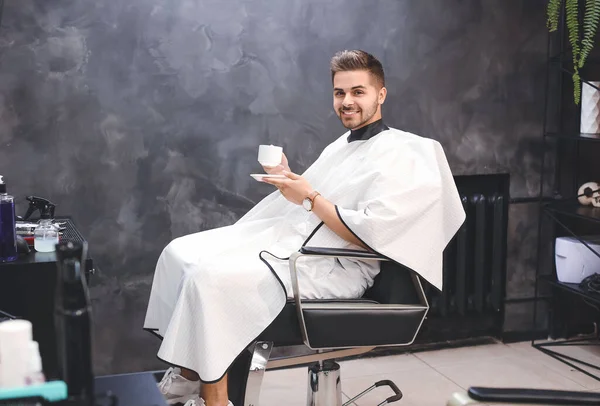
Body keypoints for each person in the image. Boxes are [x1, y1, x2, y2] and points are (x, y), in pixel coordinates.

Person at [143, 50, 466, 406]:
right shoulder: (341, 146)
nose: (347, 102)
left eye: (358, 92)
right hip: (298, 245)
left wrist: (308, 196)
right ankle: (189, 374)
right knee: (179, 252)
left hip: (334, 265)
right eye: (339, 93)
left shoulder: (405, 151)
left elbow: (373, 231)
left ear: (381, 94)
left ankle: (213, 398)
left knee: (209, 279)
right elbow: (321, 197)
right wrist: (289, 179)